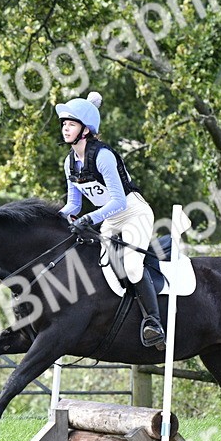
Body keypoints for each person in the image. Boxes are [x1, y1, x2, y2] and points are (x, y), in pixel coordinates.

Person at [55, 91, 165, 349]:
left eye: (70, 124)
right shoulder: (70, 163)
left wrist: (88, 219)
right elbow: (74, 204)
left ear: (85, 129)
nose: (65, 128)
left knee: (132, 265)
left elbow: (119, 201)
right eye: (63, 124)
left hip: (133, 213)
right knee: (97, 263)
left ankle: (153, 322)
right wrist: (54, 219)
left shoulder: (103, 155)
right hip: (110, 219)